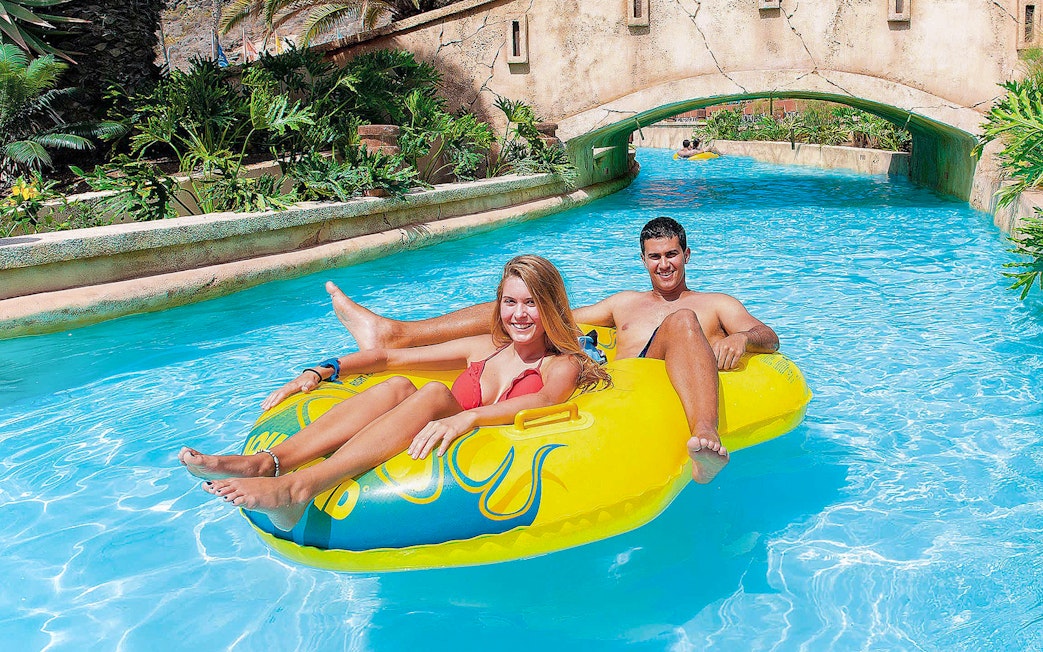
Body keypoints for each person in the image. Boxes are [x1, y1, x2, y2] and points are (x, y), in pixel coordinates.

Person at [326, 217, 779, 484]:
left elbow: (768, 335)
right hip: (619, 383)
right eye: (654, 256)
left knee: (681, 321)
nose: (664, 264)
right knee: (522, 300)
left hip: (665, 370)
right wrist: (525, 306)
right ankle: (396, 335)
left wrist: (740, 337)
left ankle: (705, 435)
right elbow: (555, 314)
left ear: (686, 254)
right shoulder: (623, 303)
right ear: (643, 259)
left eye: (672, 254)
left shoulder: (716, 305)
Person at [178, 255, 610, 531]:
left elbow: (545, 401)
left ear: (551, 307)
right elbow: (390, 360)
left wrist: (468, 416)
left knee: (436, 396)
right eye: (510, 302)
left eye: (531, 303)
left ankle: (300, 488)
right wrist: (322, 369)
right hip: (434, 428)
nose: (519, 314)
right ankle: (266, 462)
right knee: (402, 385)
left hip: (481, 448)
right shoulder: (486, 348)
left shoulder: (560, 363)